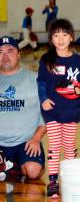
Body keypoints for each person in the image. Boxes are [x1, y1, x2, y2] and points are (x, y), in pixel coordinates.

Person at [37, 19, 80, 198]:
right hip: (51, 111)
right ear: (51, 39)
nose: (60, 39)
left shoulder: (79, 61)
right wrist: (43, 99)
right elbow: (41, 82)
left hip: (71, 110)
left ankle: (70, 179)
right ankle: (53, 182)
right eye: (56, 35)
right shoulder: (46, 60)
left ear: (71, 37)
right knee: (55, 144)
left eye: (64, 35)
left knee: (69, 146)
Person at [0, 36, 46, 182]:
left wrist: (36, 138)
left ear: (18, 54)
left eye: (10, 51)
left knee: (33, 172)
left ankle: (11, 167)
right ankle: (9, 167)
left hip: (25, 142)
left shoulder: (35, 79)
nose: (5, 56)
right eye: (0, 52)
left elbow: (47, 115)